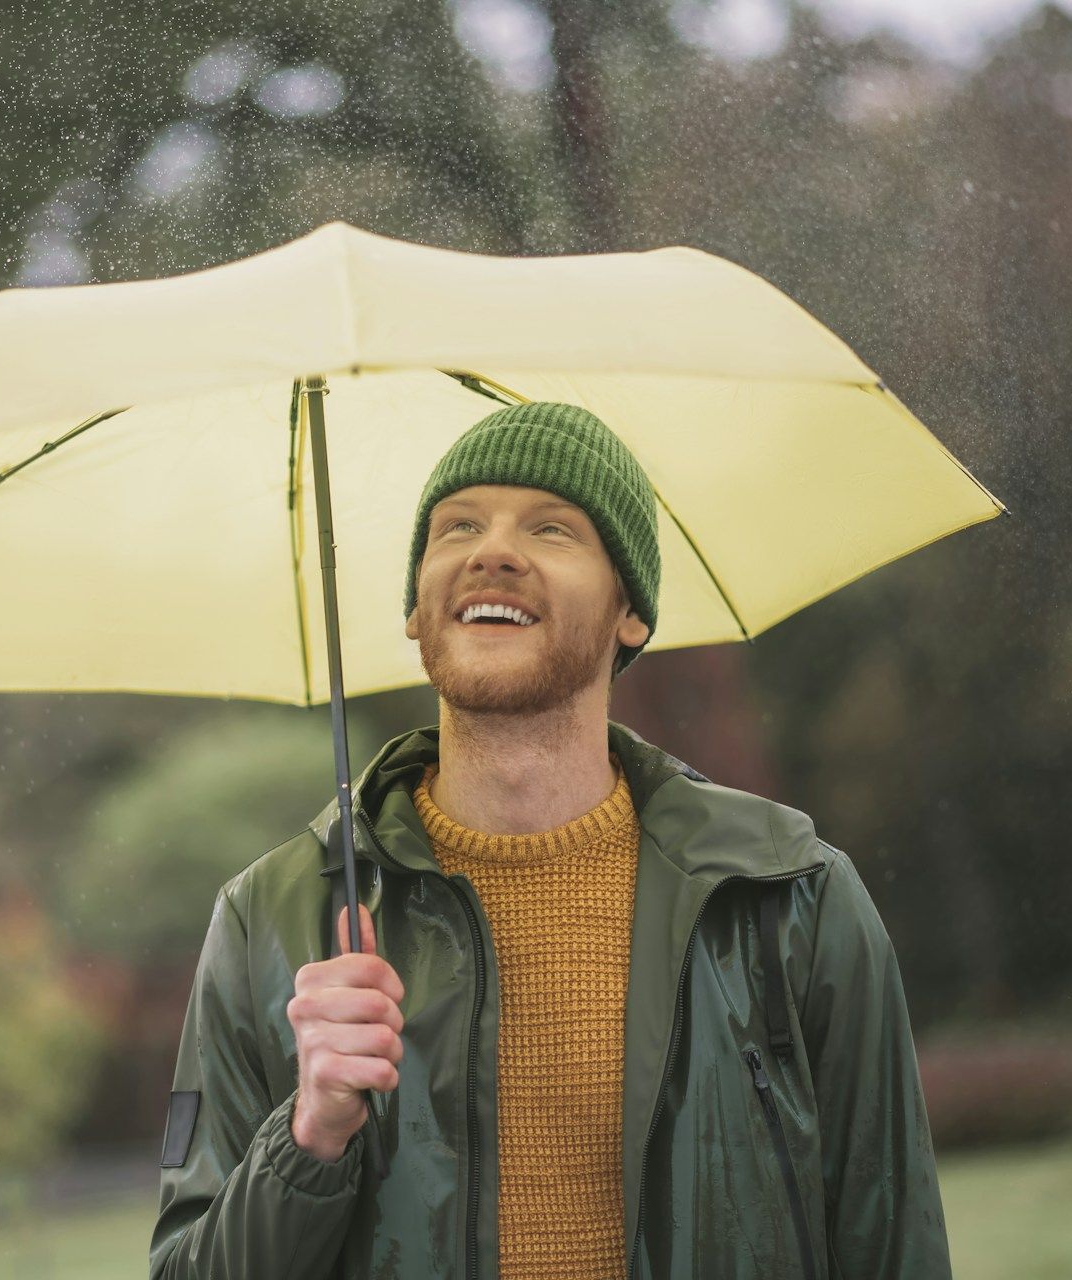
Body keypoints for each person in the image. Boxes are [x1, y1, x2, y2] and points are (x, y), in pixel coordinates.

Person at [148, 401, 953, 1279]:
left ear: (631, 613)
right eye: (457, 527)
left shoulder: (789, 897)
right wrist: (309, 1137)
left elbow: (893, 1244)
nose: (491, 551)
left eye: (553, 528)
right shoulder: (272, 920)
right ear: (416, 611)